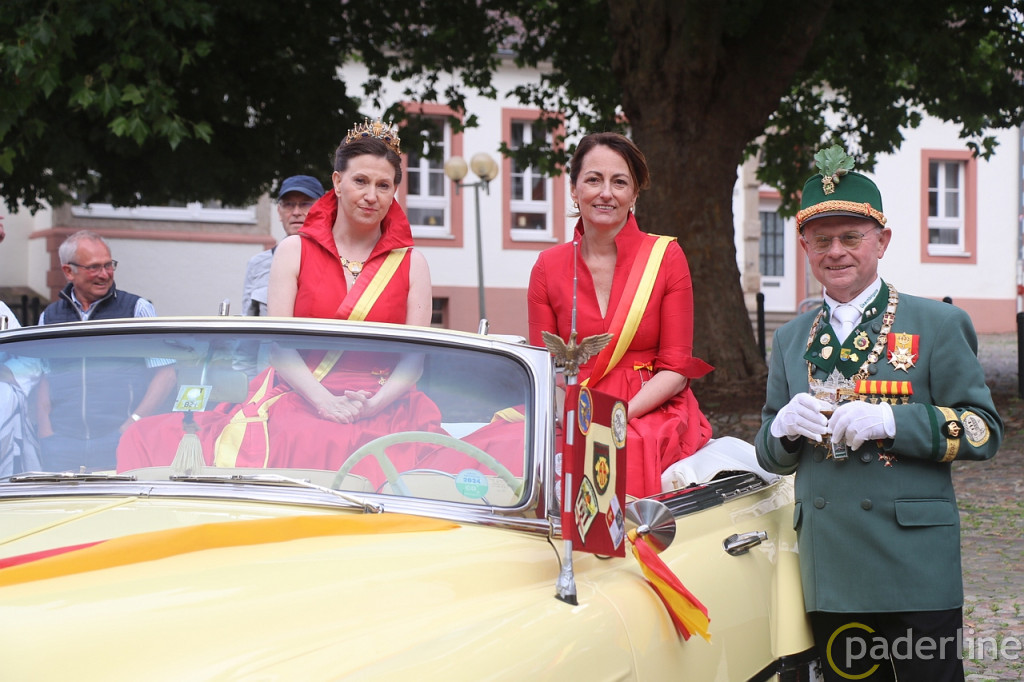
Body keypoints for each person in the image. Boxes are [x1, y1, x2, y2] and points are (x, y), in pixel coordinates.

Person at [755, 145, 1002, 681]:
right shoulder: (791, 339)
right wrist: (782, 430)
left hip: (914, 562)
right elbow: (770, 454)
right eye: (821, 240)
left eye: (851, 237)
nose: (835, 252)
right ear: (804, 245)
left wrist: (895, 422)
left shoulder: (936, 324)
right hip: (832, 565)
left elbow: (983, 431)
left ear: (882, 241)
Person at [117, 120, 442, 483]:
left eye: (383, 185)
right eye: (361, 181)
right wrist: (324, 402)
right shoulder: (294, 251)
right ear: (337, 182)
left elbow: (414, 359)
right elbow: (280, 347)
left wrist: (373, 406)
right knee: (299, 441)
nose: (371, 195)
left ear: (395, 190)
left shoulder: (413, 264)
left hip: (387, 405)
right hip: (302, 396)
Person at [528, 132, 714, 499]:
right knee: (509, 450)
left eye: (619, 182)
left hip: (647, 406)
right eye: (593, 179)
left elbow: (676, 369)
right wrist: (571, 417)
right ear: (574, 189)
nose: (605, 193)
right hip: (571, 403)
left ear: (634, 195)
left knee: (626, 447)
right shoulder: (547, 267)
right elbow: (544, 367)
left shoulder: (665, 257)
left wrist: (617, 413)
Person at [35, 231, 176, 471]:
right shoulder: (50, 317)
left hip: (120, 438)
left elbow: (166, 374)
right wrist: (45, 430)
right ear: (69, 271)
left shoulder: (136, 310)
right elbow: (44, 376)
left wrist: (133, 424)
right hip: (61, 443)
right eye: (94, 267)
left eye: (109, 265)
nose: (105, 274)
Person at [240, 174, 325, 316]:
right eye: (288, 205)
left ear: (322, 209)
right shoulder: (257, 265)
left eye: (305, 204)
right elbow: (248, 323)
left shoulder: (338, 260)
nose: (296, 212)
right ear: (279, 212)